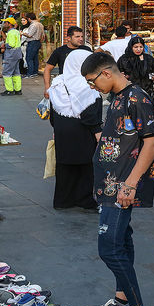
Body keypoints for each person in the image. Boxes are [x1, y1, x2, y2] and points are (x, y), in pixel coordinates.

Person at [79, 52, 154, 306]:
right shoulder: (117, 96)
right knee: (122, 240)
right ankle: (122, 300)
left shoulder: (137, 97)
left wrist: (130, 184)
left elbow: (151, 143)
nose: (92, 87)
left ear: (106, 73)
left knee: (109, 248)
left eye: (92, 81)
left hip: (122, 186)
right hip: (111, 183)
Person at [48, 49, 102, 210]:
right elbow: (90, 114)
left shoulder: (58, 82)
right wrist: (97, 131)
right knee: (85, 166)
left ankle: (63, 200)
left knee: (64, 166)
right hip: (82, 131)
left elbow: (53, 110)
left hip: (62, 129)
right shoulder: (86, 84)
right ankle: (83, 199)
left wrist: (57, 128)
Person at [43, 26, 92, 99]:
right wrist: (47, 88)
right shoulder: (59, 51)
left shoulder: (87, 50)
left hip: (84, 88)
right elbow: (47, 69)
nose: (81, 39)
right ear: (69, 38)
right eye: (77, 37)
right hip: (65, 89)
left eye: (82, 36)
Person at [0, 17, 23, 96]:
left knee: (6, 72)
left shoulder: (11, 33)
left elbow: (11, 44)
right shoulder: (16, 32)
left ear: (9, 24)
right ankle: (18, 89)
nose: (4, 24)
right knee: (16, 72)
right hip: (17, 54)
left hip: (11, 55)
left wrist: (4, 45)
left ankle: (9, 90)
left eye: (6, 23)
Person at [22, 13, 44, 78]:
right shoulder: (40, 24)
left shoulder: (33, 25)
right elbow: (43, 35)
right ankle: (35, 72)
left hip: (32, 42)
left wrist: (22, 33)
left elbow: (29, 35)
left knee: (29, 58)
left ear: (29, 18)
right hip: (38, 42)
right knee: (35, 58)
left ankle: (30, 73)